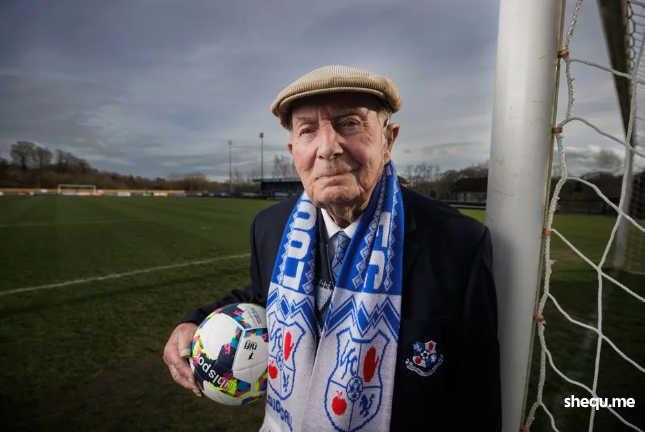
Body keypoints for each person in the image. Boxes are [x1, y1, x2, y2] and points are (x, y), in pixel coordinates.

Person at [163, 65, 501, 431]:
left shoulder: (458, 244)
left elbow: (477, 398)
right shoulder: (270, 227)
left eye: (350, 123)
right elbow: (263, 296)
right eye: (308, 130)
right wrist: (194, 320)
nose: (328, 147)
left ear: (388, 140)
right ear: (294, 151)